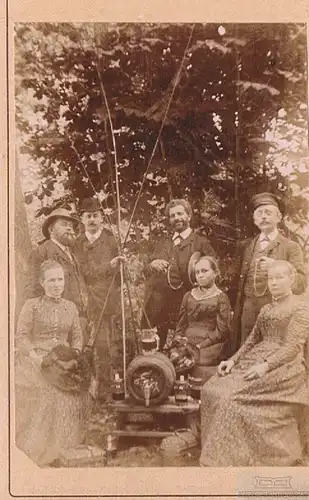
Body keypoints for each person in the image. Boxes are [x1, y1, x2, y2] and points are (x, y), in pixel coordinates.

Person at [200, 260, 309, 467]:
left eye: (280, 277)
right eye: (271, 278)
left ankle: (229, 457)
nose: (274, 282)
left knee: (231, 398)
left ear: (292, 279)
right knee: (211, 388)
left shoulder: (301, 308)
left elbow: (293, 347)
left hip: (285, 366)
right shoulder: (266, 308)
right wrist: (231, 361)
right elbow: (251, 341)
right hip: (255, 358)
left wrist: (265, 366)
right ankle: (225, 449)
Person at [15, 260, 91, 467]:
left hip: (64, 362)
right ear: (42, 283)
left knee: (79, 390)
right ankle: (44, 450)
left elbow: (77, 337)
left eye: (60, 279)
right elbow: (21, 337)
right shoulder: (31, 306)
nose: (57, 285)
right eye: (51, 280)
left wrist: (74, 355)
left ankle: (68, 448)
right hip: (38, 359)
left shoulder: (71, 307)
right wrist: (34, 356)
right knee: (48, 392)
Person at [233, 192, 307, 350]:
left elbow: (300, 283)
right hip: (248, 310)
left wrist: (277, 266)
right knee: (245, 352)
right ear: (254, 219)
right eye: (259, 213)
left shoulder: (291, 247)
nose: (263, 217)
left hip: (278, 312)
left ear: (279, 217)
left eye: (268, 212)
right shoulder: (246, 246)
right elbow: (236, 283)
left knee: (271, 353)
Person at [142, 198, 215, 349]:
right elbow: (145, 268)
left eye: (180, 214)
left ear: (188, 216)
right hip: (159, 303)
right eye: (172, 216)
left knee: (183, 347)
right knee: (154, 347)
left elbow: (212, 271)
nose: (176, 218)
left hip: (185, 302)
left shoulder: (201, 243)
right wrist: (152, 265)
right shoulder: (162, 242)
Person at [74, 197, 124, 400]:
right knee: (88, 344)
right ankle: (89, 389)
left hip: (109, 301)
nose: (92, 220)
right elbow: (83, 271)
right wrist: (108, 267)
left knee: (110, 345)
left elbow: (119, 276)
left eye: (96, 216)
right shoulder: (78, 243)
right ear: (82, 219)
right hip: (87, 300)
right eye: (88, 216)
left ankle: (109, 389)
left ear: (102, 217)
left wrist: (119, 267)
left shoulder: (111, 239)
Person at [173, 255, 232, 381]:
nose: (200, 275)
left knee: (193, 360)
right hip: (187, 342)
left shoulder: (221, 298)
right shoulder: (188, 296)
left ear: (215, 273)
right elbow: (181, 325)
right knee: (173, 358)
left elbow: (222, 332)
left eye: (204, 271)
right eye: (197, 272)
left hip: (209, 346)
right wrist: (178, 342)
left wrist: (200, 345)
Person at [23, 208, 88, 320]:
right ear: (51, 229)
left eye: (71, 225)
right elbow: (32, 289)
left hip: (78, 319)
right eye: (64, 224)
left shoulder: (72, 255)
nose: (69, 228)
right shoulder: (42, 252)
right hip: (55, 320)